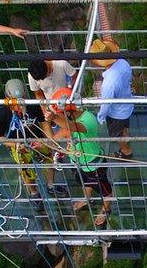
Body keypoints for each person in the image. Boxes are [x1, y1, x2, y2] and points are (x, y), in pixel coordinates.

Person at [0, 79, 67, 210]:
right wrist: (15, 145)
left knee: (48, 161)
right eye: (16, 103)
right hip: (18, 145)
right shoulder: (3, 113)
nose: (19, 106)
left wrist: (48, 141)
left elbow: (43, 123)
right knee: (26, 170)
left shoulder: (32, 105)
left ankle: (51, 186)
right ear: (8, 98)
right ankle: (34, 193)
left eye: (22, 101)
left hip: (37, 140)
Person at [46, 88, 112, 227]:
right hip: (79, 163)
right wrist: (41, 142)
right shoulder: (70, 119)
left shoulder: (87, 119)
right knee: (85, 182)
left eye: (61, 114)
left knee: (105, 191)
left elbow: (71, 127)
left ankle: (106, 210)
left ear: (68, 112)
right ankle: (87, 199)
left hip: (94, 164)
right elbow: (60, 134)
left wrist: (54, 118)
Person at [88, 39, 135, 158]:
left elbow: (106, 104)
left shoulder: (109, 82)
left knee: (116, 134)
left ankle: (126, 151)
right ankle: (125, 135)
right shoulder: (123, 62)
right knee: (123, 128)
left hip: (116, 114)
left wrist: (101, 116)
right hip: (127, 104)